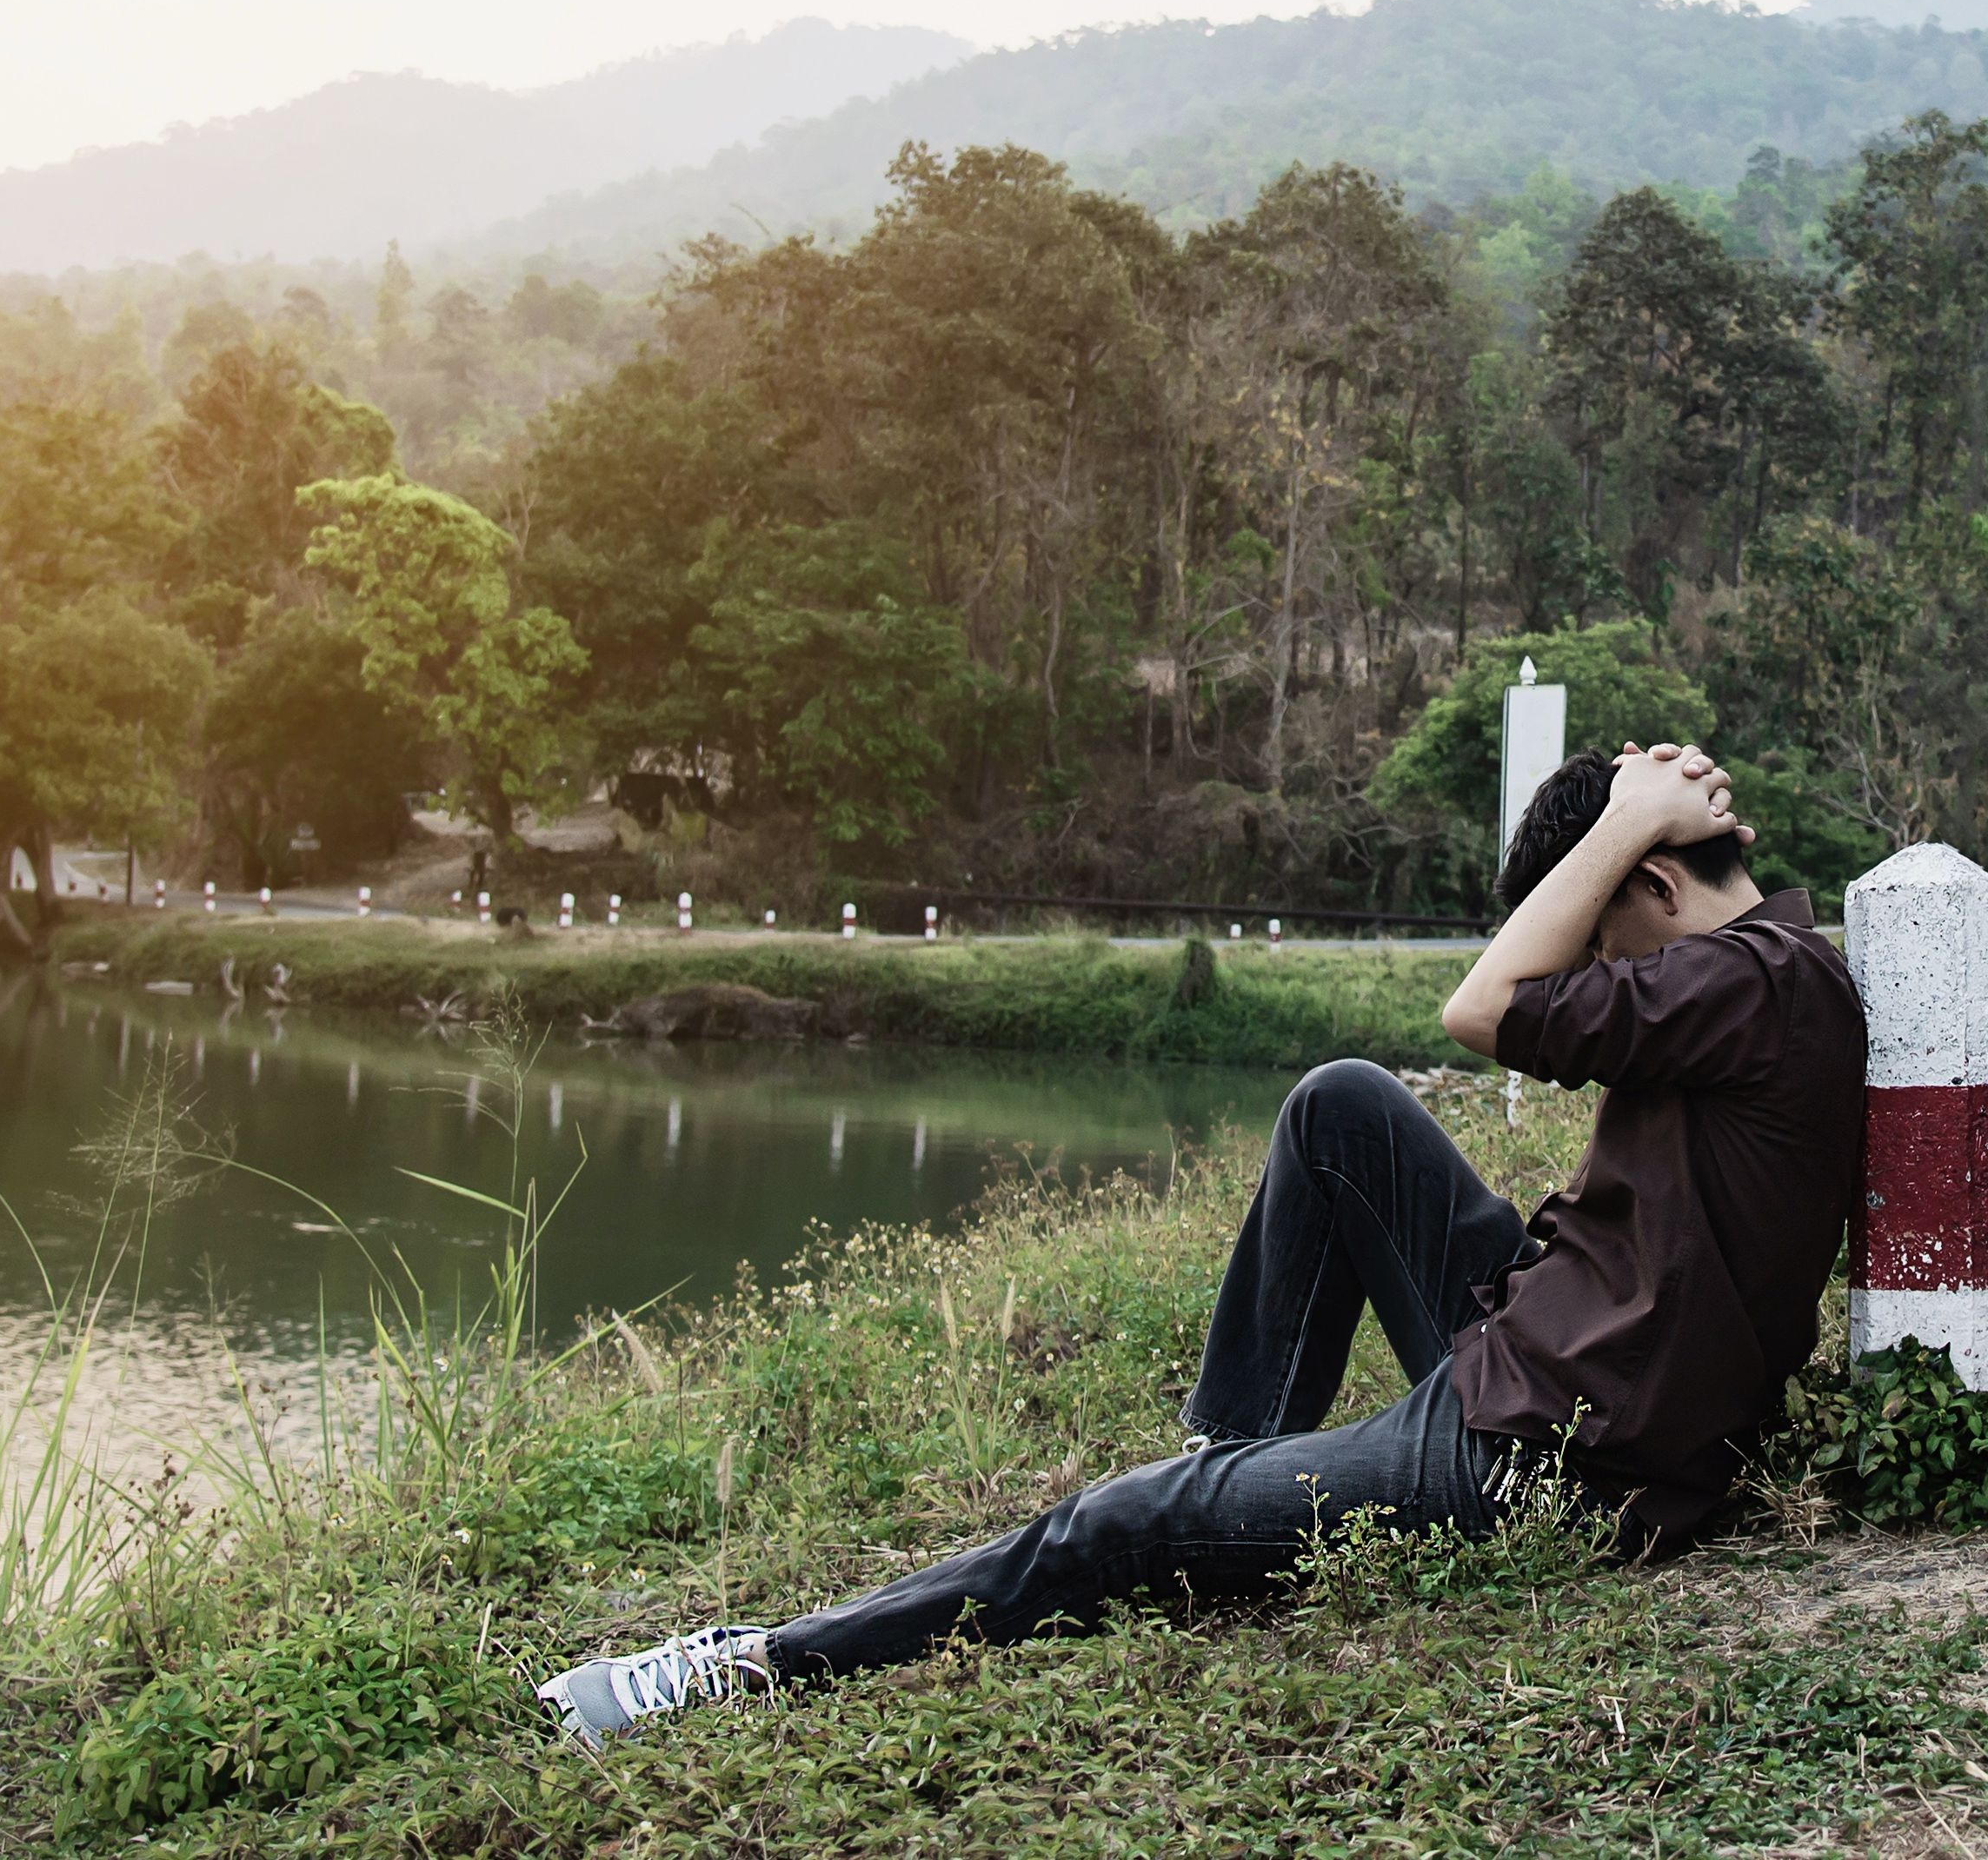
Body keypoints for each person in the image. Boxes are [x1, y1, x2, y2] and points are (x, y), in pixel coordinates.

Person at [535, 740, 1867, 1744]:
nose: (1595, 972)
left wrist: (1629, 814)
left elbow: (1487, 1005)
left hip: (1548, 1453)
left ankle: (741, 1665)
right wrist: (1630, 828)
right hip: (1552, 1345)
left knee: (1114, 1525)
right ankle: (1228, 1470)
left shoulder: (1745, 981)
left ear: (1643, 878)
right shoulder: (1764, 972)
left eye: (1600, 929)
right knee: (1342, 1104)